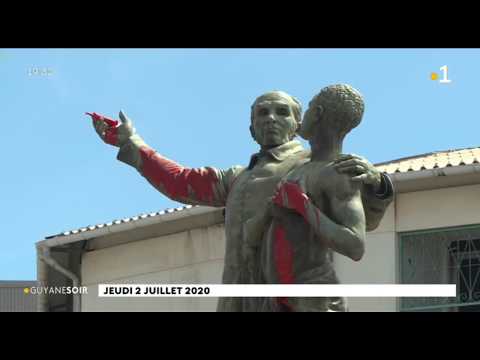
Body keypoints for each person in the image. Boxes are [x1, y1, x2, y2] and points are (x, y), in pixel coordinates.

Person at [89, 89, 393, 311]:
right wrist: (131, 142)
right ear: (252, 129)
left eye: (282, 112)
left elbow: (361, 223)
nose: (271, 118)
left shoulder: (317, 164)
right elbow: (181, 181)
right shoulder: (235, 178)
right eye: (262, 113)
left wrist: (378, 183)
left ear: (297, 124)